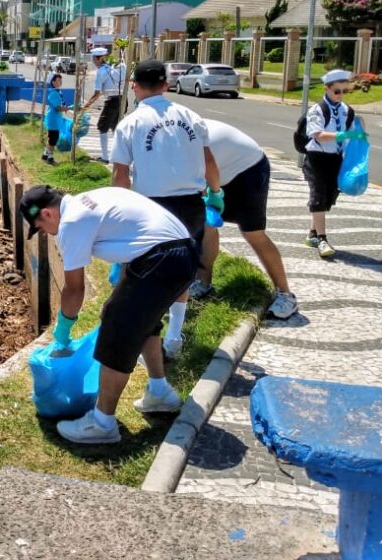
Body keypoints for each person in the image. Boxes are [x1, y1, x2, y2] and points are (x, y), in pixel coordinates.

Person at [20, 184, 198, 444]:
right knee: (139, 319)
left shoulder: (71, 222)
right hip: (182, 252)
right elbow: (134, 231)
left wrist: (63, 330)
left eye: (41, 228)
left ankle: (103, 423)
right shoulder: (91, 198)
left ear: (47, 214)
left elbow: (74, 288)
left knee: (118, 327)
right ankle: (160, 392)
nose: (46, 233)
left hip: (164, 257)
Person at [111, 59, 222, 359]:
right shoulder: (191, 116)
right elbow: (210, 161)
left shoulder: (130, 123)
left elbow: (121, 175)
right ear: (166, 85)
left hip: (151, 208)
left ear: (134, 86)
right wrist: (216, 192)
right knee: (181, 271)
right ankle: (174, 337)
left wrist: (120, 215)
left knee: (145, 271)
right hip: (190, 204)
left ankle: (140, 330)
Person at [189, 119, 298, 319]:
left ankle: (286, 295)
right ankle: (203, 283)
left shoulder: (184, 137)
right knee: (207, 225)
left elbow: (206, 168)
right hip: (219, 170)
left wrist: (212, 194)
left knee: (253, 233)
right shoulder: (170, 137)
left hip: (247, 168)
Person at [303, 69, 368, 258]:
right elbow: (319, 136)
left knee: (329, 197)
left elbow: (355, 129)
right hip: (317, 158)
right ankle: (323, 240)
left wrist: (359, 128)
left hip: (336, 158)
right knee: (318, 196)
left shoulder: (347, 110)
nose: (340, 95)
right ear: (327, 88)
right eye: (336, 91)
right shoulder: (317, 110)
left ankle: (312, 234)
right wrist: (345, 134)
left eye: (343, 91)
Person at [79, 47, 125, 163]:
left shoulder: (101, 72)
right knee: (115, 127)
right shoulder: (115, 67)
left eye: (94, 59)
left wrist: (86, 106)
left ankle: (105, 157)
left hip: (111, 101)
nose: (94, 61)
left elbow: (96, 93)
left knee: (102, 126)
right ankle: (119, 156)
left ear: (98, 59)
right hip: (122, 99)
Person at [43, 73, 68, 164]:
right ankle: (50, 158)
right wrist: (65, 108)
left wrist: (64, 108)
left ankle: (45, 155)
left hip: (55, 119)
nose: (60, 82)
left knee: (52, 138)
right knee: (53, 139)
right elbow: (57, 108)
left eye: (61, 80)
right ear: (52, 82)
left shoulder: (57, 91)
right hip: (53, 119)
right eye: (58, 80)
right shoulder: (53, 93)